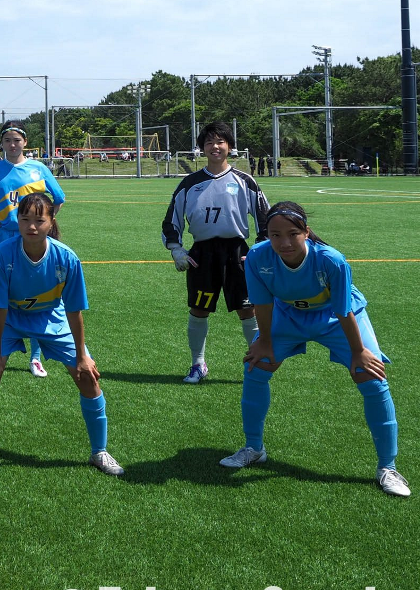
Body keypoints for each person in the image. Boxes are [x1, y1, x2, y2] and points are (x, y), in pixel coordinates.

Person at [219, 202, 408, 496]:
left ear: (306, 232)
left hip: (337, 318)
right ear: (266, 235)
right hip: (290, 315)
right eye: (275, 234)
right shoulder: (257, 256)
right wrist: (265, 341)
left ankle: (388, 466)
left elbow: (344, 310)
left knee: (371, 377)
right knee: (256, 365)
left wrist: (358, 352)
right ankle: (254, 448)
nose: (284, 242)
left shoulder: (332, 260)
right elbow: (263, 304)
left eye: (292, 233)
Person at [0, 193, 123, 477]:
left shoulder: (66, 258)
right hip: (9, 318)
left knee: (87, 377)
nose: (31, 226)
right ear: (17, 221)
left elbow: (74, 310)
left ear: (51, 222)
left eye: (39, 220)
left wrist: (82, 355)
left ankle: (99, 451)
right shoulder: (2, 254)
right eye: (25, 219)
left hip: (51, 318)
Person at [161, 121, 270, 384]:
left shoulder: (245, 181)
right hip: (203, 254)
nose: (215, 146)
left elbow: (264, 218)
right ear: (202, 149)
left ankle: (258, 361)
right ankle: (198, 364)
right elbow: (170, 222)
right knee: (199, 309)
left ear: (230, 147)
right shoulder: (190, 183)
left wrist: (259, 250)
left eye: (220, 141)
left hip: (238, 252)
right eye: (209, 142)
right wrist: (176, 249)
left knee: (248, 310)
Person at [0, 122, 65, 378]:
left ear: (25, 142)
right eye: (8, 140)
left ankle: (35, 357)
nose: (12, 144)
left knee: (35, 294)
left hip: (30, 239)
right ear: (2, 143)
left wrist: (45, 225)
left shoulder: (38, 169)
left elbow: (59, 198)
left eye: (17, 140)